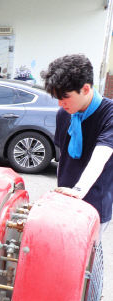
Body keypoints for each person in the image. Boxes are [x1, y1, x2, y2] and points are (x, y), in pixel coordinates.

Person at [41, 54, 113, 237]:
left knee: (85, 262)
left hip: (94, 206)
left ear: (86, 88)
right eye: (57, 98)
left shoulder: (109, 113)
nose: (60, 103)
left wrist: (78, 191)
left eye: (65, 97)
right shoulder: (63, 114)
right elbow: (62, 159)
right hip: (65, 201)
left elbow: (101, 156)